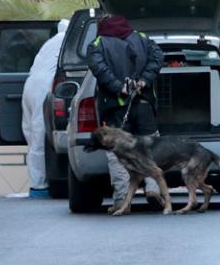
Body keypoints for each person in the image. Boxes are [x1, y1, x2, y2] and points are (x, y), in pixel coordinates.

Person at [87, 14, 164, 212]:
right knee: (149, 146)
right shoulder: (141, 37)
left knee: (116, 154)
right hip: (144, 103)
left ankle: (122, 200)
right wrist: (143, 80)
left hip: (115, 108)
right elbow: (158, 57)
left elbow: (99, 68)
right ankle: (153, 188)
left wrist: (118, 87)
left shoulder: (98, 43)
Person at [20, 19, 70, 199]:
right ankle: (39, 187)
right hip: (46, 86)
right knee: (41, 138)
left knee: (32, 136)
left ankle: (38, 184)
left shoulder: (50, 43)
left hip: (31, 85)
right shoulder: (71, 39)